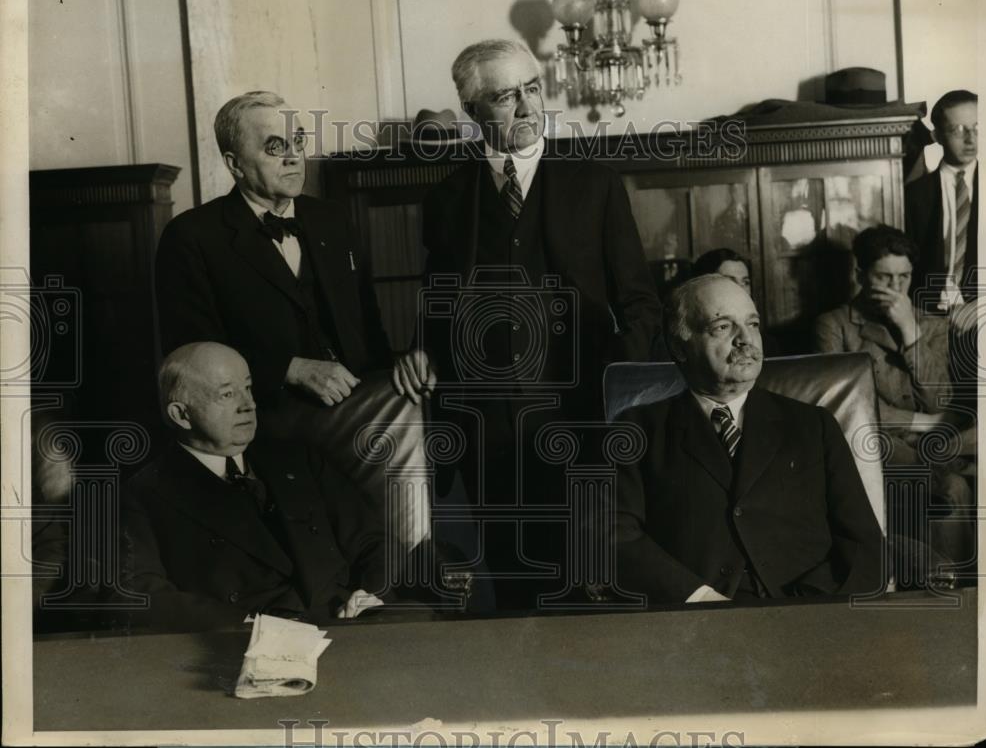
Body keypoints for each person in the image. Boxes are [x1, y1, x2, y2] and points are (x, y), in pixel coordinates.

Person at [403, 39, 662, 610]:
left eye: (532, 89)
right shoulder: (446, 199)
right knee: (517, 592)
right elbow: (437, 301)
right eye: (504, 97)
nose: (525, 108)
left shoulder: (593, 181)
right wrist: (420, 350)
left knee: (595, 585)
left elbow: (641, 303)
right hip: (488, 431)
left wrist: (616, 388)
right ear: (473, 112)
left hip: (583, 421)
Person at [155, 91, 429, 549]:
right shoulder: (192, 237)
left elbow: (370, 328)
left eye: (297, 141)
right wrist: (291, 368)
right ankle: (414, 569)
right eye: (274, 146)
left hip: (354, 397)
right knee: (400, 413)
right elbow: (189, 355)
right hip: (267, 412)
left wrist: (400, 369)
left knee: (422, 392)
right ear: (235, 163)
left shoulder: (332, 219)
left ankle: (401, 565)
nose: (293, 157)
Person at [613, 274, 884, 604]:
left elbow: (864, 545)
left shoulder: (812, 425)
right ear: (679, 347)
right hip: (692, 624)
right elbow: (612, 537)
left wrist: (802, 607)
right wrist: (699, 599)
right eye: (723, 327)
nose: (746, 340)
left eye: (752, 324)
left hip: (806, 616)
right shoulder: (637, 430)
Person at [119, 342, 390, 631]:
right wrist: (243, 625)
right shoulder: (143, 494)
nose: (249, 404)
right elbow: (139, 595)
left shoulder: (299, 459)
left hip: (347, 626)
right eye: (227, 393)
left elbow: (372, 542)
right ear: (181, 414)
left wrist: (371, 594)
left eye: (247, 388)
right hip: (244, 644)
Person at [815, 225, 972, 563]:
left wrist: (910, 332)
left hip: (933, 452)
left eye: (904, 277)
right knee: (949, 486)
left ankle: (959, 593)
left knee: (956, 486)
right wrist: (929, 423)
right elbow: (848, 407)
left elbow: (941, 400)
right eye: (885, 277)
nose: (896, 288)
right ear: (861, 275)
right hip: (874, 453)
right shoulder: (834, 326)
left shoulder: (931, 326)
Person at [905, 90, 978, 311]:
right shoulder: (914, 195)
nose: (970, 139)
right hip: (930, 317)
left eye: (977, 127)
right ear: (937, 137)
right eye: (958, 130)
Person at [690, 247, 782, 356]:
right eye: (730, 281)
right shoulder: (697, 339)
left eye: (745, 282)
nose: (741, 289)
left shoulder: (766, 344)